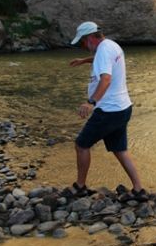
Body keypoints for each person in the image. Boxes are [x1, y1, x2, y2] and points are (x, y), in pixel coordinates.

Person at [63, 21, 148, 202]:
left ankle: (80, 187)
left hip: (108, 110)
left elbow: (106, 79)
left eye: (83, 43)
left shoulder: (102, 50)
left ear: (90, 38)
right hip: (123, 107)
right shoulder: (111, 45)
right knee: (120, 150)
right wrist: (84, 61)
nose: (83, 47)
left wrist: (91, 102)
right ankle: (139, 190)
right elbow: (104, 62)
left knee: (81, 145)